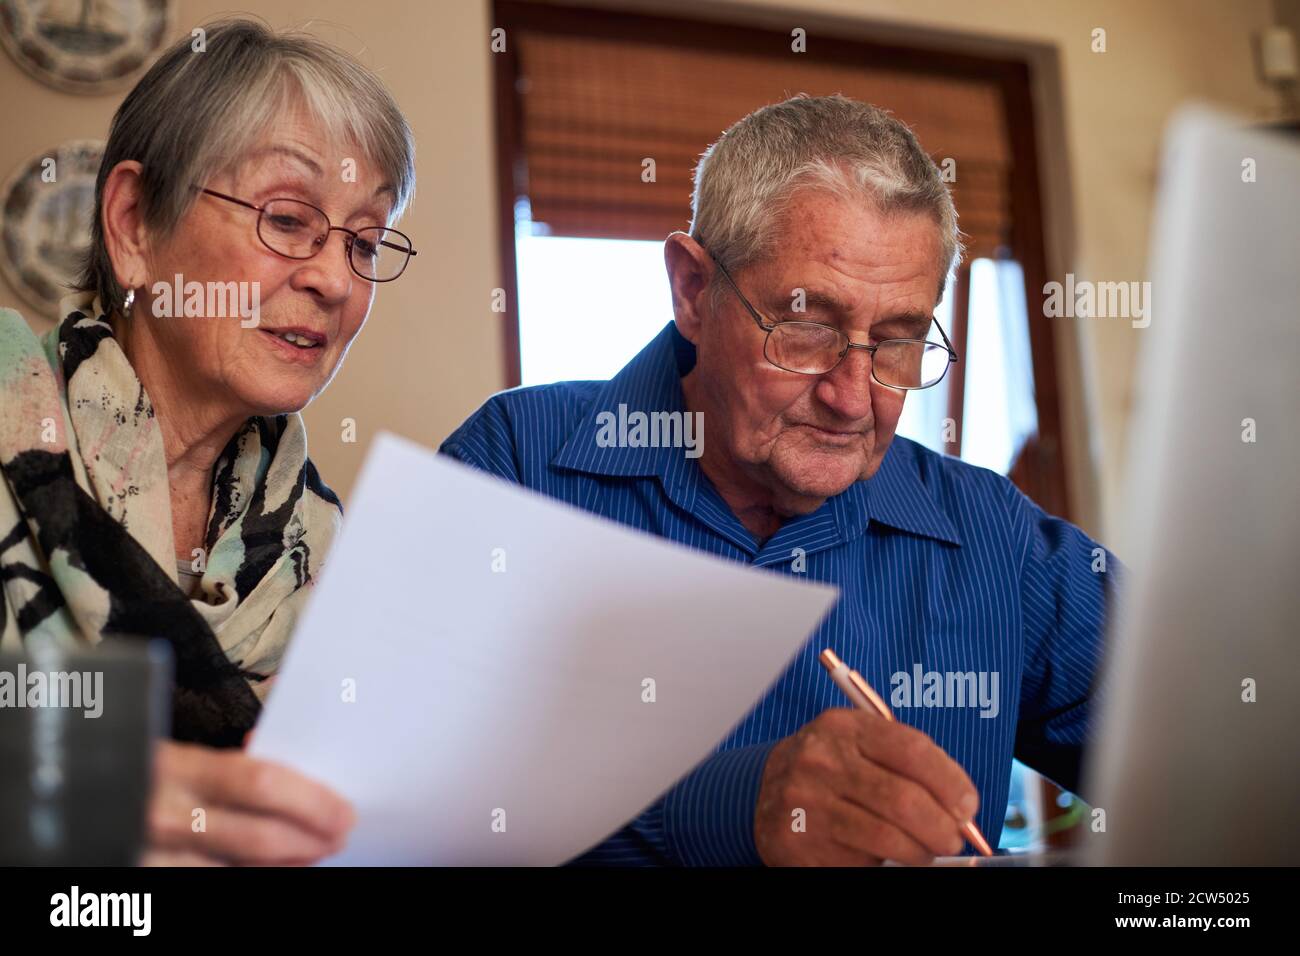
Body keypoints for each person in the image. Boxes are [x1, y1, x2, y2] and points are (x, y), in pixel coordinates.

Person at [442, 94, 1121, 866]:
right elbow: (400, 797)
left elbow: (1224, 749)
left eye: (897, 342)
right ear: (693, 291)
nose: (852, 397)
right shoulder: (515, 468)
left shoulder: (990, 537)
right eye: (806, 327)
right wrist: (736, 803)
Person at [0, 19, 417, 865]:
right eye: (288, 218)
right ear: (133, 226)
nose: (335, 279)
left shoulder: (336, 555)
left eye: (365, 242)